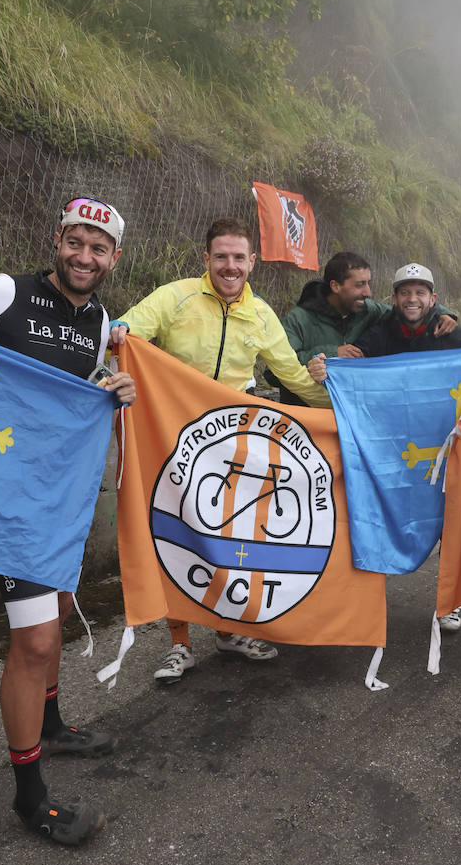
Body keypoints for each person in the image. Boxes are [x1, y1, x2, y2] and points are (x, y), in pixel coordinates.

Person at [0, 197, 136, 845]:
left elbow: (89, 378)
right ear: (57, 240)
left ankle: (53, 724)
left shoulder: (98, 321)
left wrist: (113, 384)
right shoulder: (2, 293)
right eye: (75, 242)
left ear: (113, 258)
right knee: (35, 642)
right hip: (5, 497)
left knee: (61, 610)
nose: (84, 257)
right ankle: (29, 797)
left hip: (61, 493)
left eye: (98, 248)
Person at [110, 216, 331, 683]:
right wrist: (117, 332)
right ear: (205, 259)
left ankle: (230, 632)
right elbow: (130, 328)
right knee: (176, 535)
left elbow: (292, 377)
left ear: (252, 262)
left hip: (232, 442)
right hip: (171, 436)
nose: (230, 267)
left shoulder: (262, 314)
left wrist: (339, 402)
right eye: (220, 257)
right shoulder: (177, 295)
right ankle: (179, 643)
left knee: (235, 537)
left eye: (238, 258)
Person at [308, 261, 461, 631]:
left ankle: (448, 601)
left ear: (433, 298)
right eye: (406, 292)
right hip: (392, 443)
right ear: (394, 298)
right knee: (377, 506)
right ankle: (368, 592)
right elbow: (353, 366)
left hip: (440, 444)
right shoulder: (380, 330)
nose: (413, 298)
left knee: (451, 519)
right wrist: (328, 370)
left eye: (421, 292)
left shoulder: (449, 331)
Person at [268, 251, 458, 404]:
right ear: (335, 286)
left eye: (368, 283)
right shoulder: (299, 319)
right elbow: (272, 373)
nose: (368, 292)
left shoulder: (368, 310)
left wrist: (441, 312)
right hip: (306, 421)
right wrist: (331, 353)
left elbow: (406, 311)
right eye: (360, 285)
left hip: (352, 420)